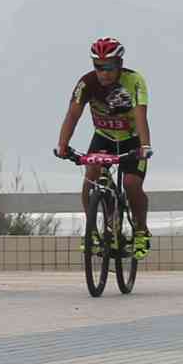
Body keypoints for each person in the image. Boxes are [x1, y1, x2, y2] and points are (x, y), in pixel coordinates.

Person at [54, 35, 151, 255]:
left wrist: (145, 146)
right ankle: (92, 231)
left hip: (131, 139)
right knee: (91, 176)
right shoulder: (86, 83)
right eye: (98, 67)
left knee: (131, 184)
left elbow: (140, 116)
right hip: (104, 137)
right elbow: (73, 114)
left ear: (120, 64)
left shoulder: (134, 81)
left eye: (109, 67)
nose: (103, 73)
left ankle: (141, 231)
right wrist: (63, 144)